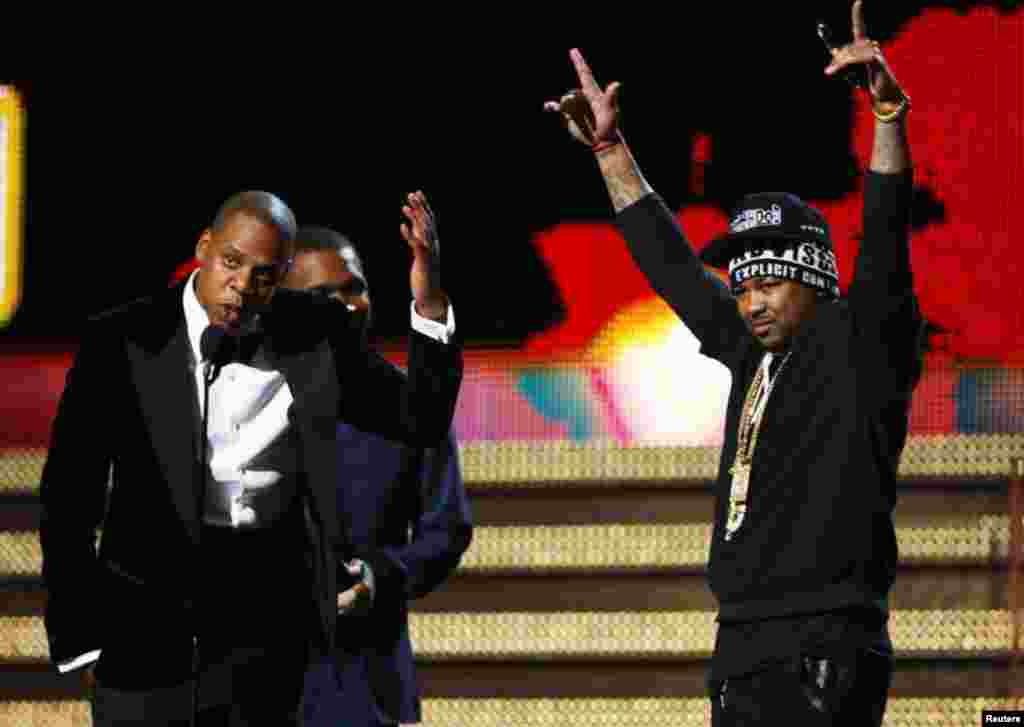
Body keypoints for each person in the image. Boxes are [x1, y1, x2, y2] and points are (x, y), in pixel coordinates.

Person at [544, 3, 921, 724]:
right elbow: (675, 269)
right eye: (741, 284)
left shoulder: (862, 343)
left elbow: (885, 240)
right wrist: (610, 153)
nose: (748, 301)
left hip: (825, 647)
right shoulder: (754, 352)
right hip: (742, 645)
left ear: (814, 279)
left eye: (767, 282)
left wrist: (887, 116)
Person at [39, 189, 462, 726]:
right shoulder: (122, 340)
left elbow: (419, 419)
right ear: (204, 248)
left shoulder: (316, 332)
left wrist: (428, 303)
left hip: (267, 646)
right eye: (231, 263)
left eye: (264, 274)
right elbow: (67, 500)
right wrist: (84, 644)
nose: (241, 285)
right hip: (143, 643)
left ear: (282, 276)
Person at [281, 227, 472, 727]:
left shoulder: (411, 406)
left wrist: (377, 578)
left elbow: (446, 531)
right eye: (322, 295)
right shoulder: (243, 401)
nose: (346, 305)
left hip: (372, 687)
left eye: (354, 288)